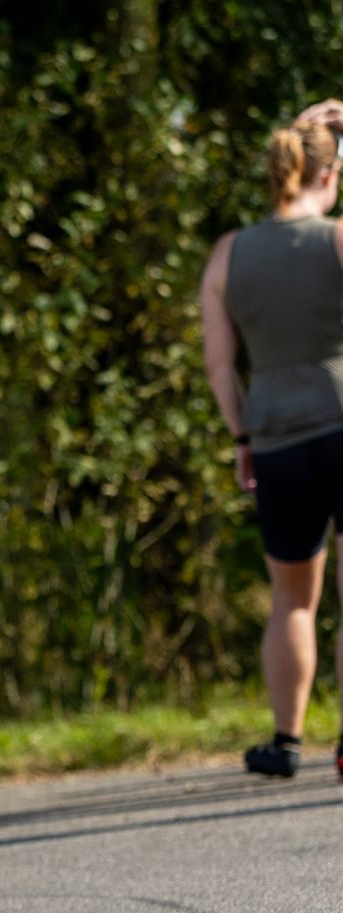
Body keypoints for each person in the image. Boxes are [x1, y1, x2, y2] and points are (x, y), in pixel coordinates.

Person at [201, 101, 343, 780]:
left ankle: (286, 743)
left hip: (278, 441)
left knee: (292, 598)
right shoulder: (339, 240)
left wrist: (241, 435)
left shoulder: (229, 254)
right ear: (330, 173)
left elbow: (220, 365)